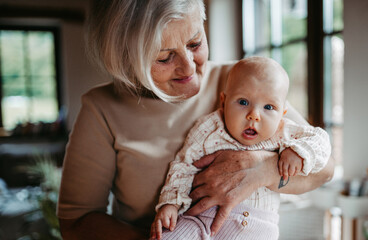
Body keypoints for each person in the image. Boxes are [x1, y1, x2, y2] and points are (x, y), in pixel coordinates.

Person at [57, 1, 334, 239]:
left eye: (195, 43)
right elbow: (76, 221)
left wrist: (264, 170)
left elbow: (325, 167)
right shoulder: (102, 108)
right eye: (165, 57)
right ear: (128, 60)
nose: (189, 67)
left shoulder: (242, 82)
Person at [150, 57, 331, 239]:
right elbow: (183, 166)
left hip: (257, 229)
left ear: (282, 114)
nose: (254, 115)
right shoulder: (208, 128)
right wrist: (171, 204)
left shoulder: (283, 132)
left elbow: (320, 139)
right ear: (224, 101)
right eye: (243, 102)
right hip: (199, 220)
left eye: (269, 107)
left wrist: (299, 152)